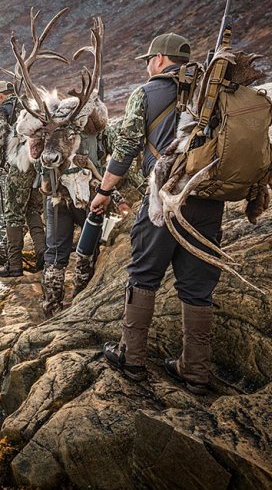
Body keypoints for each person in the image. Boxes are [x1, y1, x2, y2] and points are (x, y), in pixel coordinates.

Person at [90, 32, 224, 394]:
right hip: (208, 199)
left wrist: (104, 191)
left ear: (160, 60)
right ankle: (195, 371)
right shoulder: (213, 94)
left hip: (162, 199)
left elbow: (126, 147)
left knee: (144, 275)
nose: (148, 65)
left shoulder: (146, 93)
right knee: (198, 285)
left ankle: (131, 359)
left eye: (149, 59)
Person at [0, 79, 46, 277]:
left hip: (19, 166)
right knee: (32, 210)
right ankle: (44, 257)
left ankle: (14, 265)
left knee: (13, 214)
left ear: (0, 95)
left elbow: (0, 138)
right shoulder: (31, 106)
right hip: (39, 165)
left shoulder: (3, 110)